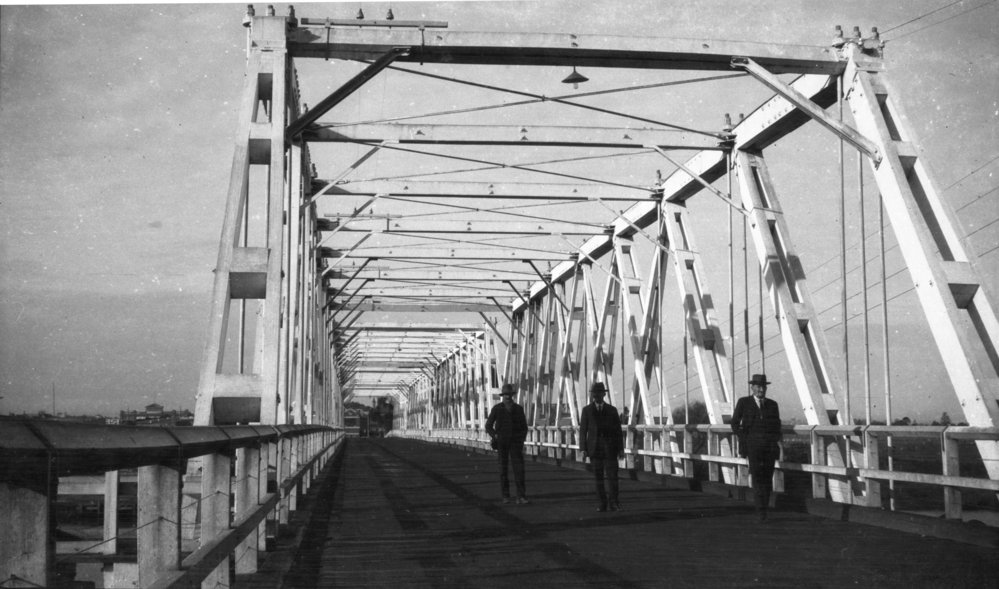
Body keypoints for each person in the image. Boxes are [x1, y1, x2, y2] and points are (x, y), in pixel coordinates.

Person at [731, 373, 782, 521]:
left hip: (769, 448)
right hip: (752, 447)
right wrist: (744, 439)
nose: (761, 389)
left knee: (767, 478)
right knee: (758, 478)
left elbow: (777, 426)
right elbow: (734, 423)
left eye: (763, 387)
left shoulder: (773, 405)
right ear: (752, 387)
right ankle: (761, 511)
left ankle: (764, 509)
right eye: (758, 386)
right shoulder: (743, 402)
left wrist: (774, 441)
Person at [579, 382, 624, 512]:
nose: (596, 395)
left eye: (599, 393)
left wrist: (621, 449)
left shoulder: (612, 410)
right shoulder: (586, 410)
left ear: (604, 394)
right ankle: (602, 503)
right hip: (594, 450)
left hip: (610, 449)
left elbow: (618, 432)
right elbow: (583, 431)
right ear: (592, 395)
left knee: (613, 478)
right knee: (598, 479)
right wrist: (583, 449)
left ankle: (614, 503)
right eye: (594, 393)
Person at [485, 383, 529, 504]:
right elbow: (488, 425)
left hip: (515, 443)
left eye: (509, 394)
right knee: (503, 469)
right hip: (501, 443)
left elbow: (524, 427)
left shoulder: (518, 409)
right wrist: (495, 435)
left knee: (519, 469)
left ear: (512, 395)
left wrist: (521, 440)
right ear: (503, 395)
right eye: (505, 394)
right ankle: (506, 496)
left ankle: (521, 496)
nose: (507, 396)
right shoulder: (497, 408)